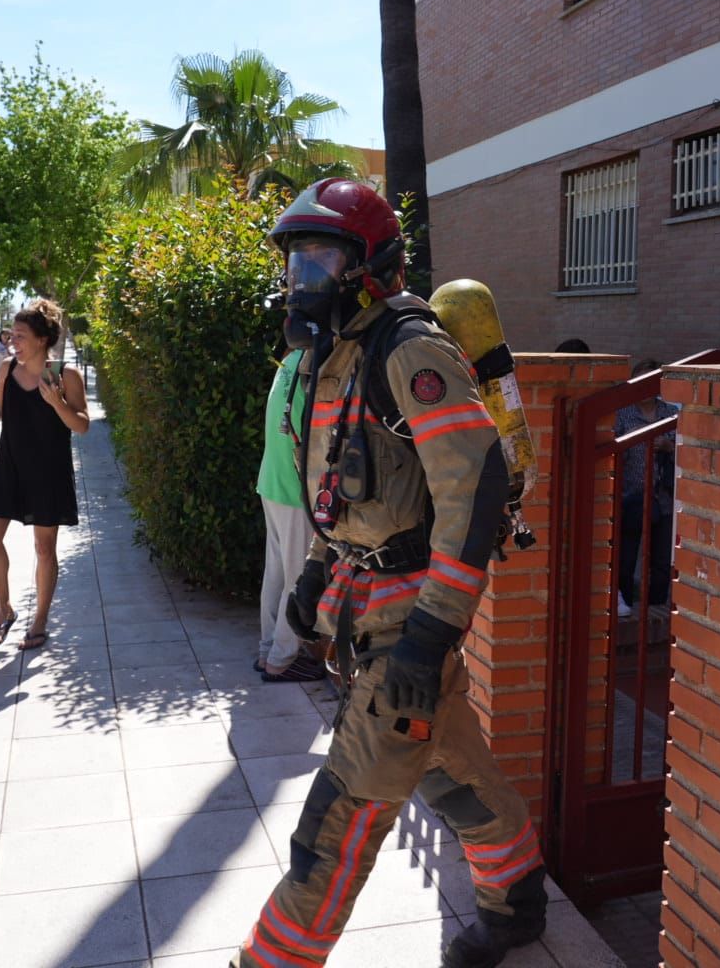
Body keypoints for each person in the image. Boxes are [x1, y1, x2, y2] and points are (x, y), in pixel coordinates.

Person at [231, 179, 547, 968]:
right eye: (296, 259)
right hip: (366, 608)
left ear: (367, 266)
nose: (302, 276)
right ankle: (518, 903)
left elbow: (471, 492)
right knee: (452, 774)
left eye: (319, 258)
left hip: (408, 625)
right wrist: (313, 574)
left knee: (339, 820)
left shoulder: (410, 350)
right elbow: (341, 487)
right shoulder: (339, 354)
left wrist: (432, 635)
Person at [0, 299, 90, 651]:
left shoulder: (64, 375)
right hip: (9, 464)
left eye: (20, 335)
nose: (13, 340)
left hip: (48, 470)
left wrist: (57, 403)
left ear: (42, 339)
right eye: (12, 334)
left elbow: (83, 426)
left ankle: (40, 619)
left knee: (44, 548)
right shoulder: (6, 368)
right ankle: (4, 609)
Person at [254, 348, 325, 683]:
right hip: (296, 487)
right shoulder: (318, 363)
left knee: (277, 573)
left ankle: (267, 649)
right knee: (297, 577)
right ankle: (281, 660)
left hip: (273, 480)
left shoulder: (292, 360)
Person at [615, 358, 678, 619]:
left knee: (662, 561)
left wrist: (669, 446)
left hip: (663, 497)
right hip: (631, 495)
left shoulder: (670, 412)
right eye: (642, 381)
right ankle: (626, 606)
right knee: (627, 557)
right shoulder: (623, 413)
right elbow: (614, 451)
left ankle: (656, 609)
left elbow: (688, 447)